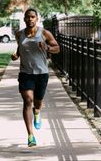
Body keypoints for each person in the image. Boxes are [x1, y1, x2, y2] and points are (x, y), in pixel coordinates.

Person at [11, 8, 60, 147]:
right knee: (28, 100)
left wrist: (48, 48)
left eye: (33, 17)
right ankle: (30, 135)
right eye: (28, 17)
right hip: (25, 73)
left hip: (42, 74)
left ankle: (37, 112)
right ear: (24, 19)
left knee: (37, 102)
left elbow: (57, 48)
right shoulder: (19, 34)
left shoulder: (44, 33)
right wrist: (16, 55)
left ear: (36, 19)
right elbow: (20, 49)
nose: (30, 19)